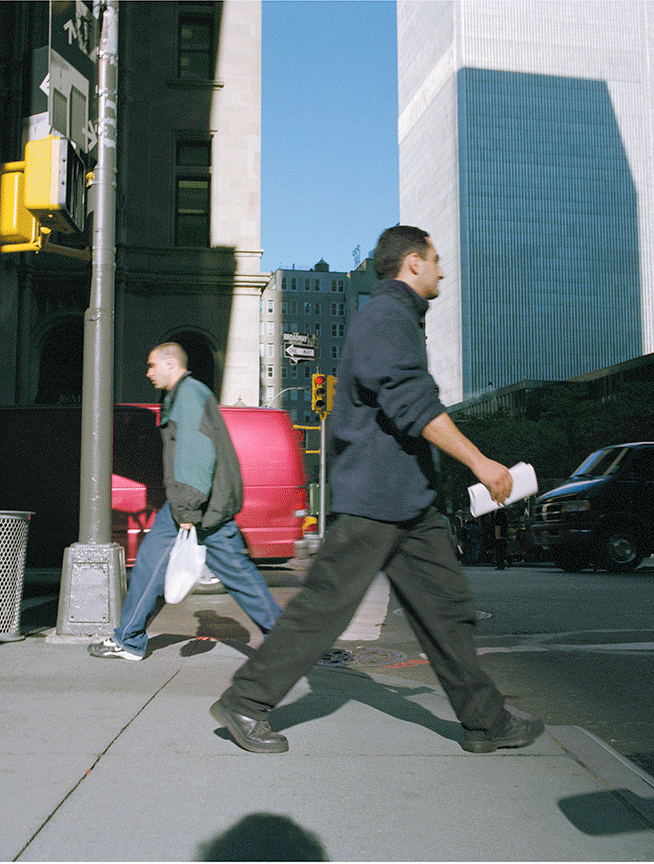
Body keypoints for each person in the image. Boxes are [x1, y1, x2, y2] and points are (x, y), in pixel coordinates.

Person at [209, 225, 541, 755]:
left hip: (407, 500)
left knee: (446, 609)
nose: (442, 270)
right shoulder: (386, 318)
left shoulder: (397, 318)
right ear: (412, 263)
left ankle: (486, 722)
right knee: (325, 607)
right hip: (374, 498)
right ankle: (247, 702)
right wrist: (481, 462)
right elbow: (411, 404)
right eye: (435, 259)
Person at [89, 343, 284, 662]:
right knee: (238, 574)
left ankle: (128, 640)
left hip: (195, 504)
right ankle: (283, 642)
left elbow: (195, 451)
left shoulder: (188, 395)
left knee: (152, 562)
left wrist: (187, 509)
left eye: (152, 365)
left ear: (170, 362)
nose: (148, 373)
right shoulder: (185, 394)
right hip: (206, 503)